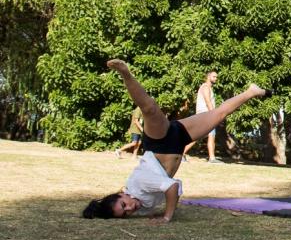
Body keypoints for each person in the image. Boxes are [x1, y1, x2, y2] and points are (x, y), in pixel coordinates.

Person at [82, 60, 265, 222]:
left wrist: (167, 216)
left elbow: (173, 187)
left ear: (122, 194)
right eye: (125, 214)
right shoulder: (140, 205)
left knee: (149, 108)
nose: (130, 209)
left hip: (160, 142)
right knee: (219, 114)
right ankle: (252, 91)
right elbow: (173, 191)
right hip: (177, 143)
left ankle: (125, 74)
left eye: (124, 205)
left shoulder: (139, 185)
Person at [183, 71, 220, 163]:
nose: (216, 78)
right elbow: (208, 102)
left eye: (216, 77)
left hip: (205, 115)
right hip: (205, 114)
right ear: (208, 77)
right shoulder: (206, 87)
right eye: (214, 76)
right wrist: (214, 114)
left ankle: (181, 154)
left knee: (200, 136)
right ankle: (212, 158)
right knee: (210, 135)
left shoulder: (207, 87)